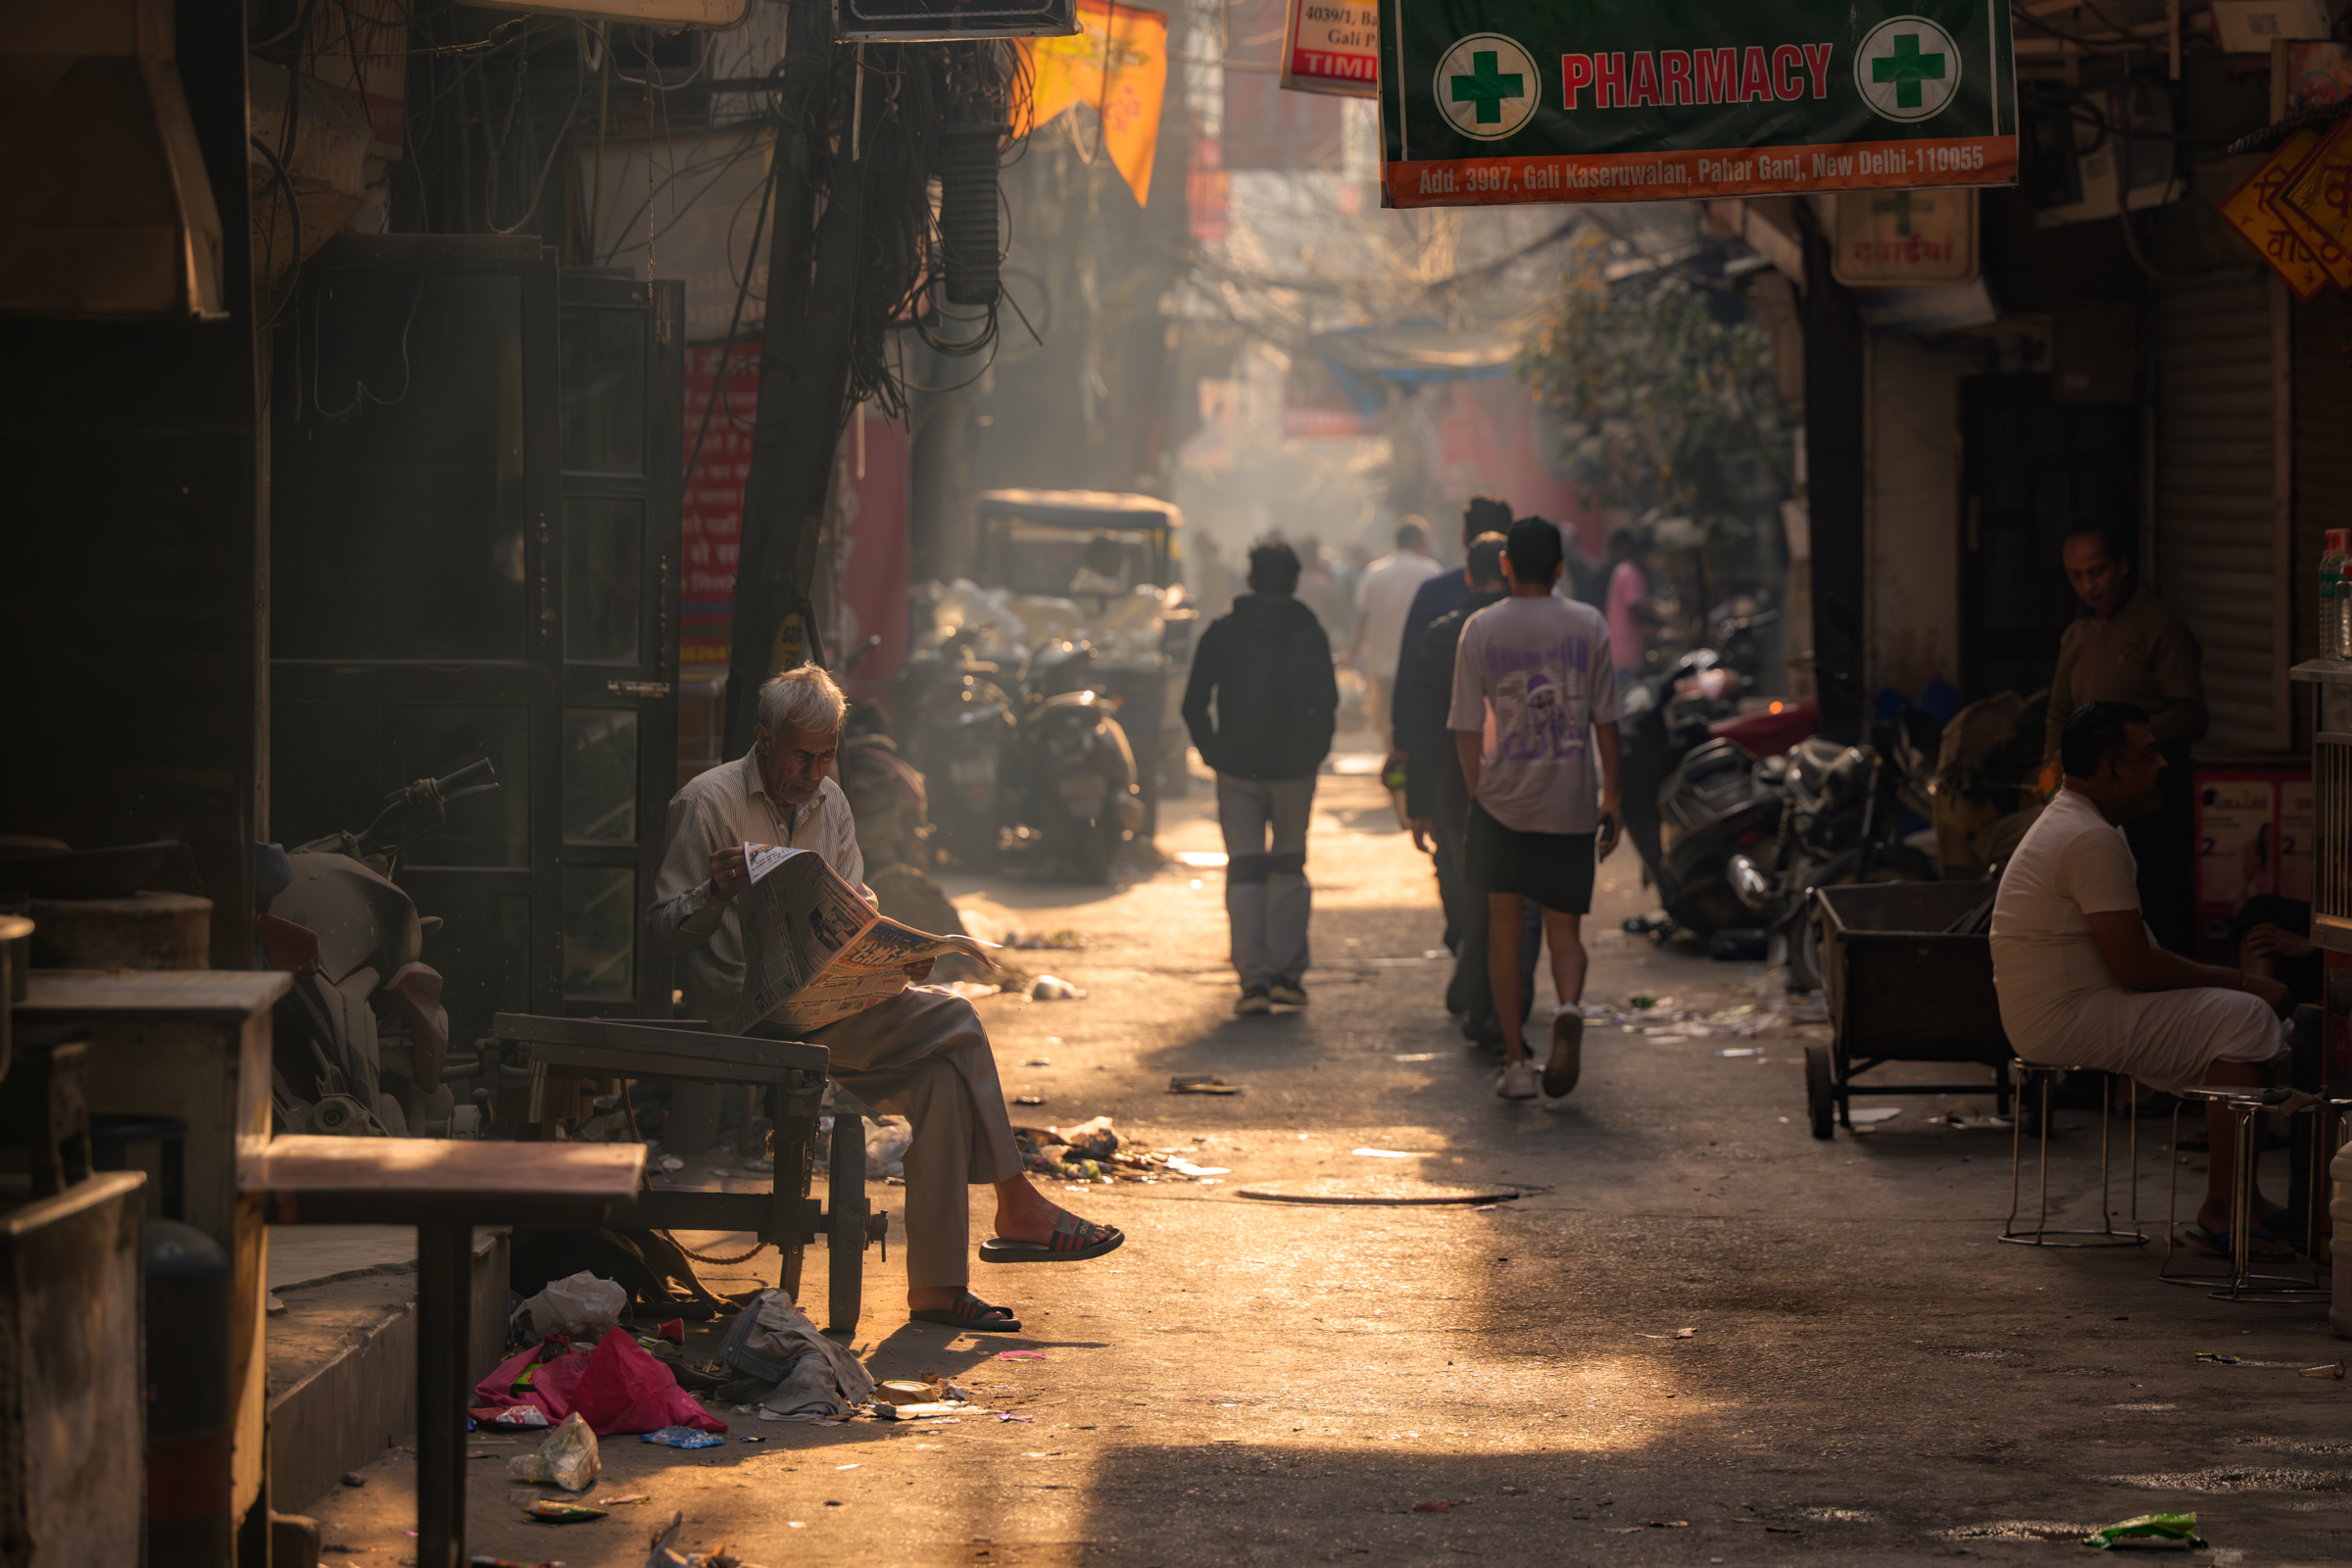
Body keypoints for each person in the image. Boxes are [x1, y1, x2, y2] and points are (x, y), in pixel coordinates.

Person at [645, 665, 1122, 1336]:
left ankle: (937, 1288)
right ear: (764, 739)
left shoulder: (831, 802)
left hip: (824, 1003)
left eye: (825, 756)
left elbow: (854, 908)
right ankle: (1015, 1199)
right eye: (801, 756)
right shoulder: (707, 802)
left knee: (939, 1083)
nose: (813, 772)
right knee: (957, 1016)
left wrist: (894, 957)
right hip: (745, 1011)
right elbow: (661, 931)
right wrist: (712, 894)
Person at [1992, 701, 2296, 1258]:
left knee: (2236, 1016)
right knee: (2244, 1017)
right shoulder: (2088, 836)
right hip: (2062, 1017)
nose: (2163, 765)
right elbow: (2136, 966)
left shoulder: (2085, 820)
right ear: (2111, 772)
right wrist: (2246, 983)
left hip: (2073, 1004)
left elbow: (2138, 960)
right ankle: (2224, 1208)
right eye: (2149, 755)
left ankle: (2245, 1200)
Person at [1448, 518, 1624, 1103]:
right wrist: (1612, 794)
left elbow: (1465, 724)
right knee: (1564, 929)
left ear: (1504, 565)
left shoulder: (1481, 627)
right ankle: (1569, 1007)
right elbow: (1606, 718)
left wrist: (1478, 790)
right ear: (1559, 567)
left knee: (1504, 928)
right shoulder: (1588, 623)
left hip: (1502, 804)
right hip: (1569, 801)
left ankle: (1517, 1061)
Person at [1181, 541, 1339, 1015]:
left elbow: (1193, 703)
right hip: (1294, 768)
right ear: (1295, 582)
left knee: (1245, 869)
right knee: (1289, 864)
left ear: (1250, 580)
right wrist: (1313, 753)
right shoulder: (1310, 632)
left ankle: (1253, 983)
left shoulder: (1223, 632)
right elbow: (1327, 704)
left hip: (1237, 767)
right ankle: (1287, 976)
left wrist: (1214, 754)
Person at [1397, 532, 1534, 1047]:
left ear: (1469, 574)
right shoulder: (1532, 633)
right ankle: (1503, 1002)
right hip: (1527, 783)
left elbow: (1423, 723)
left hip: (1457, 785)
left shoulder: (1444, 633)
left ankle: (1480, 994)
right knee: (1521, 901)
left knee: (1472, 893)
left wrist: (1420, 803)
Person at [2043, 525, 2207, 954]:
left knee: (2161, 903)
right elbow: (2058, 714)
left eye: (2097, 571)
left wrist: (2129, 741)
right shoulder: (2076, 636)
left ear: (2123, 566)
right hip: (2097, 805)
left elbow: (2192, 715)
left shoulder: (2159, 628)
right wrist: (2051, 768)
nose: (2088, 586)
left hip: (2154, 800)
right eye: (2077, 575)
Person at [1387, 493, 1514, 946]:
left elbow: (1413, 685)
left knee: (1455, 861)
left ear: (1463, 537)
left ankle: (1468, 949)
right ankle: (1498, 963)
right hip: (1524, 763)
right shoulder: (1537, 604)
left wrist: (1404, 749)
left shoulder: (1436, 597)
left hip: (1449, 763)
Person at [1348, 517, 1444, 753]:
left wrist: (1352, 653)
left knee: (1388, 726)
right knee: (1417, 723)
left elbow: (1363, 618)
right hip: (1420, 665)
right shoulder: (1432, 572)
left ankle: (1394, 762)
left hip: (1382, 664)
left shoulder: (1374, 573)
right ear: (1419, 541)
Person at [1603, 529, 1662, 677]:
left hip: (1623, 653)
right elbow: (1637, 610)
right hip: (1625, 655)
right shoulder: (1630, 573)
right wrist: (1666, 624)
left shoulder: (1627, 571)